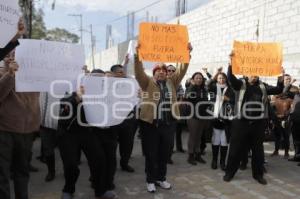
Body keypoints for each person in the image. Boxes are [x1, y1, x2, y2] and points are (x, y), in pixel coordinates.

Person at [134, 43, 192, 193]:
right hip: (150, 125)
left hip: (168, 124)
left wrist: (186, 53)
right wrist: (137, 55)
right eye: (158, 70)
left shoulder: (172, 82)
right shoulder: (147, 83)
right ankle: (150, 180)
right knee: (151, 153)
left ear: (167, 73)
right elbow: (138, 72)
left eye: (163, 71)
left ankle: (161, 178)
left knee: (165, 153)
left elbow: (181, 69)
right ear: (154, 73)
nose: (161, 73)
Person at [223, 52, 284, 185]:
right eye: (252, 73)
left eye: (256, 74)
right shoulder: (241, 84)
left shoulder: (263, 86)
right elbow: (230, 78)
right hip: (241, 123)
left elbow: (278, 89)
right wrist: (231, 62)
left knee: (258, 151)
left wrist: (281, 76)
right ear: (247, 74)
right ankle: (229, 173)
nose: (254, 76)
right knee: (235, 149)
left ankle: (258, 175)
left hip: (258, 124)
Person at [57, 79, 111, 199]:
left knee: (99, 159)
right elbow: (64, 108)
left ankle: (100, 190)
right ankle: (68, 189)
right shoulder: (70, 93)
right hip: (68, 133)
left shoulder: (101, 96)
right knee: (71, 164)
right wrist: (76, 98)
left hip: (87, 132)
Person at [0, 50, 40, 199]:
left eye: (17, 53)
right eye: (11, 54)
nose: (13, 56)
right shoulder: (2, 72)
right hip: (4, 131)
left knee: (22, 172)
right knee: (2, 173)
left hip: (27, 131)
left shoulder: (34, 76)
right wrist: (10, 74)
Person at [109, 64, 138, 172]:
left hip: (128, 120)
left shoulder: (130, 84)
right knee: (111, 145)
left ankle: (124, 163)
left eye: (123, 72)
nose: (123, 74)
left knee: (127, 143)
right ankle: (111, 165)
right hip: (113, 120)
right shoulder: (107, 85)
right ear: (112, 74)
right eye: (120, 72)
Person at [207, 70, 235, 171]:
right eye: (219, 78)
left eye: (223, 78)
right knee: (215, 140)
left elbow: (235, 100)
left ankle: (222, 162)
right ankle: (214, 160)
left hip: (227, 118)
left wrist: (228, 99)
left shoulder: (230, 88)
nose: (221, 80)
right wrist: (215, 74)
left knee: (224, 141)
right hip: (215, 116)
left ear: (226, 79)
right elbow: (208, 84)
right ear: (217, 79)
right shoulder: (214, 87)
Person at [185, 72, 211, 165]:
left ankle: (197, 154)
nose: (199, 80)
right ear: (193, 79)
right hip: (193, 116)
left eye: (200, 78)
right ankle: (190, 155)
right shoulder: (190, 88)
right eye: (197, 78)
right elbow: (188, 97)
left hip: (202, 115)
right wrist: (192, 85)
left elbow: (205, 101)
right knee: (193, 136)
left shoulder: (204, 89)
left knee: (199, 136)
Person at [271, 74, 298, 158]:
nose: (288, 81)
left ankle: (286, 152)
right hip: (277, 116)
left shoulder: (294, 89)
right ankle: (276, 150)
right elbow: (276, 98)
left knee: (286, 135)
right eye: (286, 79)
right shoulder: (278, 90)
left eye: (289, 79)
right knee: (276, 135)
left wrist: (287, 114)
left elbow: (294, 104)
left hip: (286, 117)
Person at [166, 64, 185, 165]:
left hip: (173, 113)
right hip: (160, 114)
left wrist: (178, 102)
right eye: (169, 70)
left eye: (173, 71)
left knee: (171, 136)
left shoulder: (177, 83)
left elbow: (181, 95)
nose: (171, 72)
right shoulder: (159, 82)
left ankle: (168, 156)